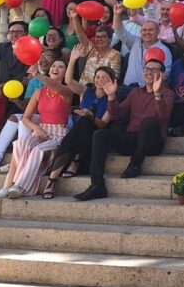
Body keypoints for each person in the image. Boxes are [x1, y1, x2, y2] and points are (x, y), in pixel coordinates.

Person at [74, 59, 175, 201]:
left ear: (162, 75)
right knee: (100, 134)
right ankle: (97, 185)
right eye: (146, 69)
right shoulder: (135, 93)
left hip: (152, 142)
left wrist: (157, 94)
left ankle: (135, 164)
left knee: (149, 123)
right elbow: (116, 114)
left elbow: (164, 117)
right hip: (132, 139)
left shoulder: (167, 93)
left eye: (154, 70)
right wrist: (111, 97)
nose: (149, 72)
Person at [0, 58, 73, 198]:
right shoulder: (39, 92)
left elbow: (55, 86)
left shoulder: (67, 91)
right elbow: (25, 118)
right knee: (20, 143)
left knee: (36, 150)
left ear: (65, 72)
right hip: (41, 132)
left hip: (58, 135)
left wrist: (38, 75)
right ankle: (6, 186)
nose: (56, 68)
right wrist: (37, 128)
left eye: (61, 67)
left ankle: (20, 185)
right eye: (54, 66)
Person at [43, 49, 115, 195]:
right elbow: (68, 81)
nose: (100, 80)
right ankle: (55, 178)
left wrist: (91, 116)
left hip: (93, 138)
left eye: (104, 77)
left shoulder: (112, 98)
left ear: (112, 81)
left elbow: (102, 124)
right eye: (97, 76)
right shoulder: (85, 91)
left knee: (85, 123)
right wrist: (73, 60)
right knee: (78, 128)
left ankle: (64, 170)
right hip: (77, 135)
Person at [113, 3, 172, 87]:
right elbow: (119, 31)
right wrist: (116, 14)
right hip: (127, 90)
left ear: (158, 32)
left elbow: (165, 74)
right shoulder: (135, 42)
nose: (147, 32)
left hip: (147, 92)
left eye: (150, 30)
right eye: (144, 30)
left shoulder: (164, 50)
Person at [67, 8, 121, 84]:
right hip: (84, 90)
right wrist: (75, 17)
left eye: (103, 37)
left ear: (110, 39)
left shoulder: (115, 54)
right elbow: (81, 36)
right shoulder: (91, 49)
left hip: (102, 91)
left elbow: (113, 78)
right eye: (97, 37)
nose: (99, 39)